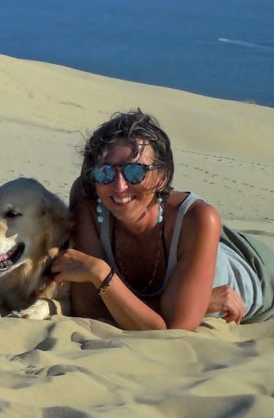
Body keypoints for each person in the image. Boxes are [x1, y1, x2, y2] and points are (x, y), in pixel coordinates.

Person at [51, 109, 274, 330]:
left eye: (135, 172)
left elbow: (171, 329)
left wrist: (100, 274)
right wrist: (196, 304)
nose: (119, 186)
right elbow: (90, 308)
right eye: (105, 172)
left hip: (260, 274)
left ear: (162, 177)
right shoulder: (87, 196)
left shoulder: (199, 217)